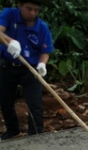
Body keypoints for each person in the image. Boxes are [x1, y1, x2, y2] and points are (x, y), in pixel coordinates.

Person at [0, 0, 54, 140]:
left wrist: (42, 64)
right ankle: (12, 131)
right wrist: (9, 41)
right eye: (29, 9)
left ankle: (35, 134)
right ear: (20, 5)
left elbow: (45, 51)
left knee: (34, 103)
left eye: (36, 10)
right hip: (8, 65)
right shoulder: (9, 14)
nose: (32, 13)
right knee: (5, 100)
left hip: (30, 69)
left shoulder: (41, 27)